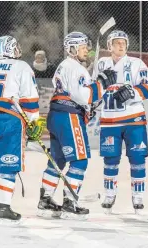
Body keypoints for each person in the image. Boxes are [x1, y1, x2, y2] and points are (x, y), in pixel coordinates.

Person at [37, 31, 117, 219]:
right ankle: (69, 204)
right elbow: (82, 96)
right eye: (82, 47)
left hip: (57, 115)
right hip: (69, 116)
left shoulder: (65, 66)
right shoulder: (75, 67)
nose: (87, 51)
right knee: (79, 160)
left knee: (58, 160)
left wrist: (98, 89)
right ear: (72, 49)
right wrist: (100, 84)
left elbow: (87, 100)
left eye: (87, 47)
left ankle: (45, 200)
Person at [0, 35, 44, 224]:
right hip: (8, 119)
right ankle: (3, 206)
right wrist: (33, 123)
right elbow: (29, 98)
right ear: (11, 49)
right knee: (7, 164)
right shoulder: (21, 67)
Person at [93, 30, 148, 214]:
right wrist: (92, 106)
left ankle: (138, 197)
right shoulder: (101, 64)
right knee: (110, 160)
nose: (121, 45)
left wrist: (132, 92)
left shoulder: (137, 63)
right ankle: (109, 195)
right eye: (117, 42)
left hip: (133, 120)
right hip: (109, 121)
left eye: (124, 42)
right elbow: (94, 91)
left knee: (137, 158)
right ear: (109, 45)